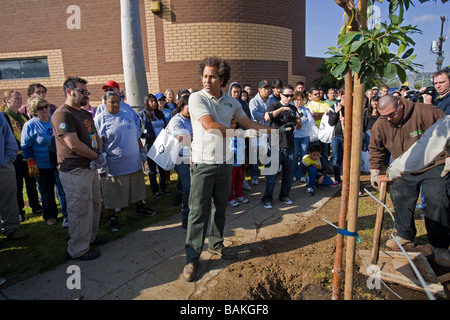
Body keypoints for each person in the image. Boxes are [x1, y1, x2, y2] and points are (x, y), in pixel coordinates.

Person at [183, 56, 275, 282]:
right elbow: (210, 126)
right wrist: (240, 133)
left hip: (225, 162)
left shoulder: (232, 103)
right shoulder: (196, 98)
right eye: (204, 76)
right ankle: (192, 257)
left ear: (222, 78)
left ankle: (216, 244)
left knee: (221, 207)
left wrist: (273, 131)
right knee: (197, 211)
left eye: (212, 76)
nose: (207, 80)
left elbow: (249, 123)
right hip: (203, 162)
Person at [369, 95, 449, 267]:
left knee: (438, 200)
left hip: (433, 164)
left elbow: (447, 133)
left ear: (400, 104)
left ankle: (439, 245)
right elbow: (375, 148)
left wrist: (449, 157)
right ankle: (405, 235)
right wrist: (375, 173)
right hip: (404, 167)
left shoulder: (427, 112)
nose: (388, 119)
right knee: (399, 197)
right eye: (384, 116)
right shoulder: (381, 124)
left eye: (391, 114)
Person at [51, 76, 105, 261]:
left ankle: (89, 238)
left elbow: (94, 134)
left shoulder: (84, 113)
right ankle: (78, 249)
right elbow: (73, 144)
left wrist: (99, 151)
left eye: (87, 92)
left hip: (89, 167)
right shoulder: (62, 114)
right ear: (69, 91)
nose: (86, 95)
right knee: (80, 210)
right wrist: (97, 156)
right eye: (82, 91)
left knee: (94, 205)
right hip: (74, 170)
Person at [94, 91, 156, 232]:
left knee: (136, 186)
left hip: (133, 160)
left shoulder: (126, 114)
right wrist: (100, 158)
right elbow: (97, 141)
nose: (116, 105)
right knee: (112, 192)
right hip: (114, 163)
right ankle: (112, 217)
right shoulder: (100, 119)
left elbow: (136, 134)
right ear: (105, 103)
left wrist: (141, 151)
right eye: (112, 102)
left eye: (118, 101)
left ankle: (140, 207)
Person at [1, 90, 42, 221]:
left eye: (20, 98)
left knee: (32, 181)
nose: (20, 100)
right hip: (15, 156)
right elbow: (8, 136)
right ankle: (19, 211)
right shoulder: (4, 116)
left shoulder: (23, 116)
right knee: (18, 185)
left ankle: (36, 206)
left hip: (28, 154)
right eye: (16, 98)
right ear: (7, 101)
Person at [262, 84, 302, 209]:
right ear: (281, 94)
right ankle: (267, 199)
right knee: (271, 176)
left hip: (289, 144)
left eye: (291, 96)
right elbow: (266, 117)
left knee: (288, 174)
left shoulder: (293, 108)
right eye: (287, 95)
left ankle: (284, 195)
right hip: (275, 145)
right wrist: (282, 110)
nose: (289, 98)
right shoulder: (274, 105)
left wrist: (299, 122)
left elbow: (298, 127)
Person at [21, 96, 59, 225]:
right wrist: (31, 163)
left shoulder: (54, 121)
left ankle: (66, 213)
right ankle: (50, 216)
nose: (44, 110)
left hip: (58, 162)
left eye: (46, 107)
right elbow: (26, 145)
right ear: (34, 110)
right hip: (41, 164)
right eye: (40, 108)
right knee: (46, 192)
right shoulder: (30, 125)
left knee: (62, 189)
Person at [166, 96, 192, 229]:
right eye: (189, 106)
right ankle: (186, 217)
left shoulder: (193, 119)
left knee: (186, 184)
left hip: (193, 156)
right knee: (188, 187)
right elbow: (183, 138)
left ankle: (178, 200)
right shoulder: (176, 120)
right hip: (181, 158)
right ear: (182, 106)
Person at [139, 93, 171, 199]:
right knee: (152, 169)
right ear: (146, 103)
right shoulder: (143, 114)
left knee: (162, 166)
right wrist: (147, 135)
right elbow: (139, 131)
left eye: (154, 101)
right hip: (151, 145)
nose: (154, 103)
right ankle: (155, 190)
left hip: (162, 144)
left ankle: (164, 187)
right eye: (151, 101)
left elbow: (165, 126)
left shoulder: (159, 113)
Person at [0, 112, 25, 240]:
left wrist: (8, 159)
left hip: (3, 165)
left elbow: (8, 138)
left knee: (9, 198)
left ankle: (11, 229)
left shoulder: (0, 117)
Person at [228, 82, 252, 191]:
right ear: (230, 92)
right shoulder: (226, 103)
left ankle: (242, 181)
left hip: (243, 135)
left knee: (243, 161)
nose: (236, 94)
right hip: (230, 136)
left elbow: (248, 119)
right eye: (234, 92)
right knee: (232, 162)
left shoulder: (243, 104)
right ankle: (230, 184)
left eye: (238, 92)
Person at [248, 80, 272, 185]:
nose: (267, 90)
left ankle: (268, 175)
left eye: (268, 88)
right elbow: (255, 115)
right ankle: (254, 176)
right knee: (255, 154)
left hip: (269, 131)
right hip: (257, 131)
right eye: (264, 88)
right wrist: (268, 115)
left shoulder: (271, 100)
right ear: (259, 89)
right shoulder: (254, 101)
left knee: (269, 153)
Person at [306, 87, 331, 168]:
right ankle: (313, 167)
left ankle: (325, 167)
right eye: (315, 94)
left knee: (324, 151)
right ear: (310, 95)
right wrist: (322, 114)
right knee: (314, 151)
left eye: (318, 94)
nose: (317, 95)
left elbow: (328, 115)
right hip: (314, 131)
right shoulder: (308, 105)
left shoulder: (325, 104)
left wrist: (316, 114)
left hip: (324, 130)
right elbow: (312, 116)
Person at [292, 91, 314, 183]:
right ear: (293, 100)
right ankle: (294, 174)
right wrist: (302, 121)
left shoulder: (306, 110)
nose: (299, 102)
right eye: (297, 100)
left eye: (300, 100)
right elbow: (292, 124)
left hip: (305, 135)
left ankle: (302, 174)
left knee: (304, 156)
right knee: (294, 155)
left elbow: (311, 122)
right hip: (295, 136)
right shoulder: (291, 110)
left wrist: (301, 120)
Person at [227, 117, 248, 207]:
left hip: (239, 161)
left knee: (239, 179)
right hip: (230, 162)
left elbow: (243, 147)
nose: (233, 125)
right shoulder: (226, 134)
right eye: (231, 123)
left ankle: (239, 194)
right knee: (231, 181)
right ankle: (230, 198)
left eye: (235, 123)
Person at [327, 93, 345, 187]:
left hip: (347, 136)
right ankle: (337, 179)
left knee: (347, 159)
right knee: (336, 158)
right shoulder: (334, 106)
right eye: (343, 96)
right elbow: (330, 123)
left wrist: (346, 120)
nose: (345, 98)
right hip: (336, 136)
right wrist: (336, 112)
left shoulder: (352, 106)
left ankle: (348, 180)